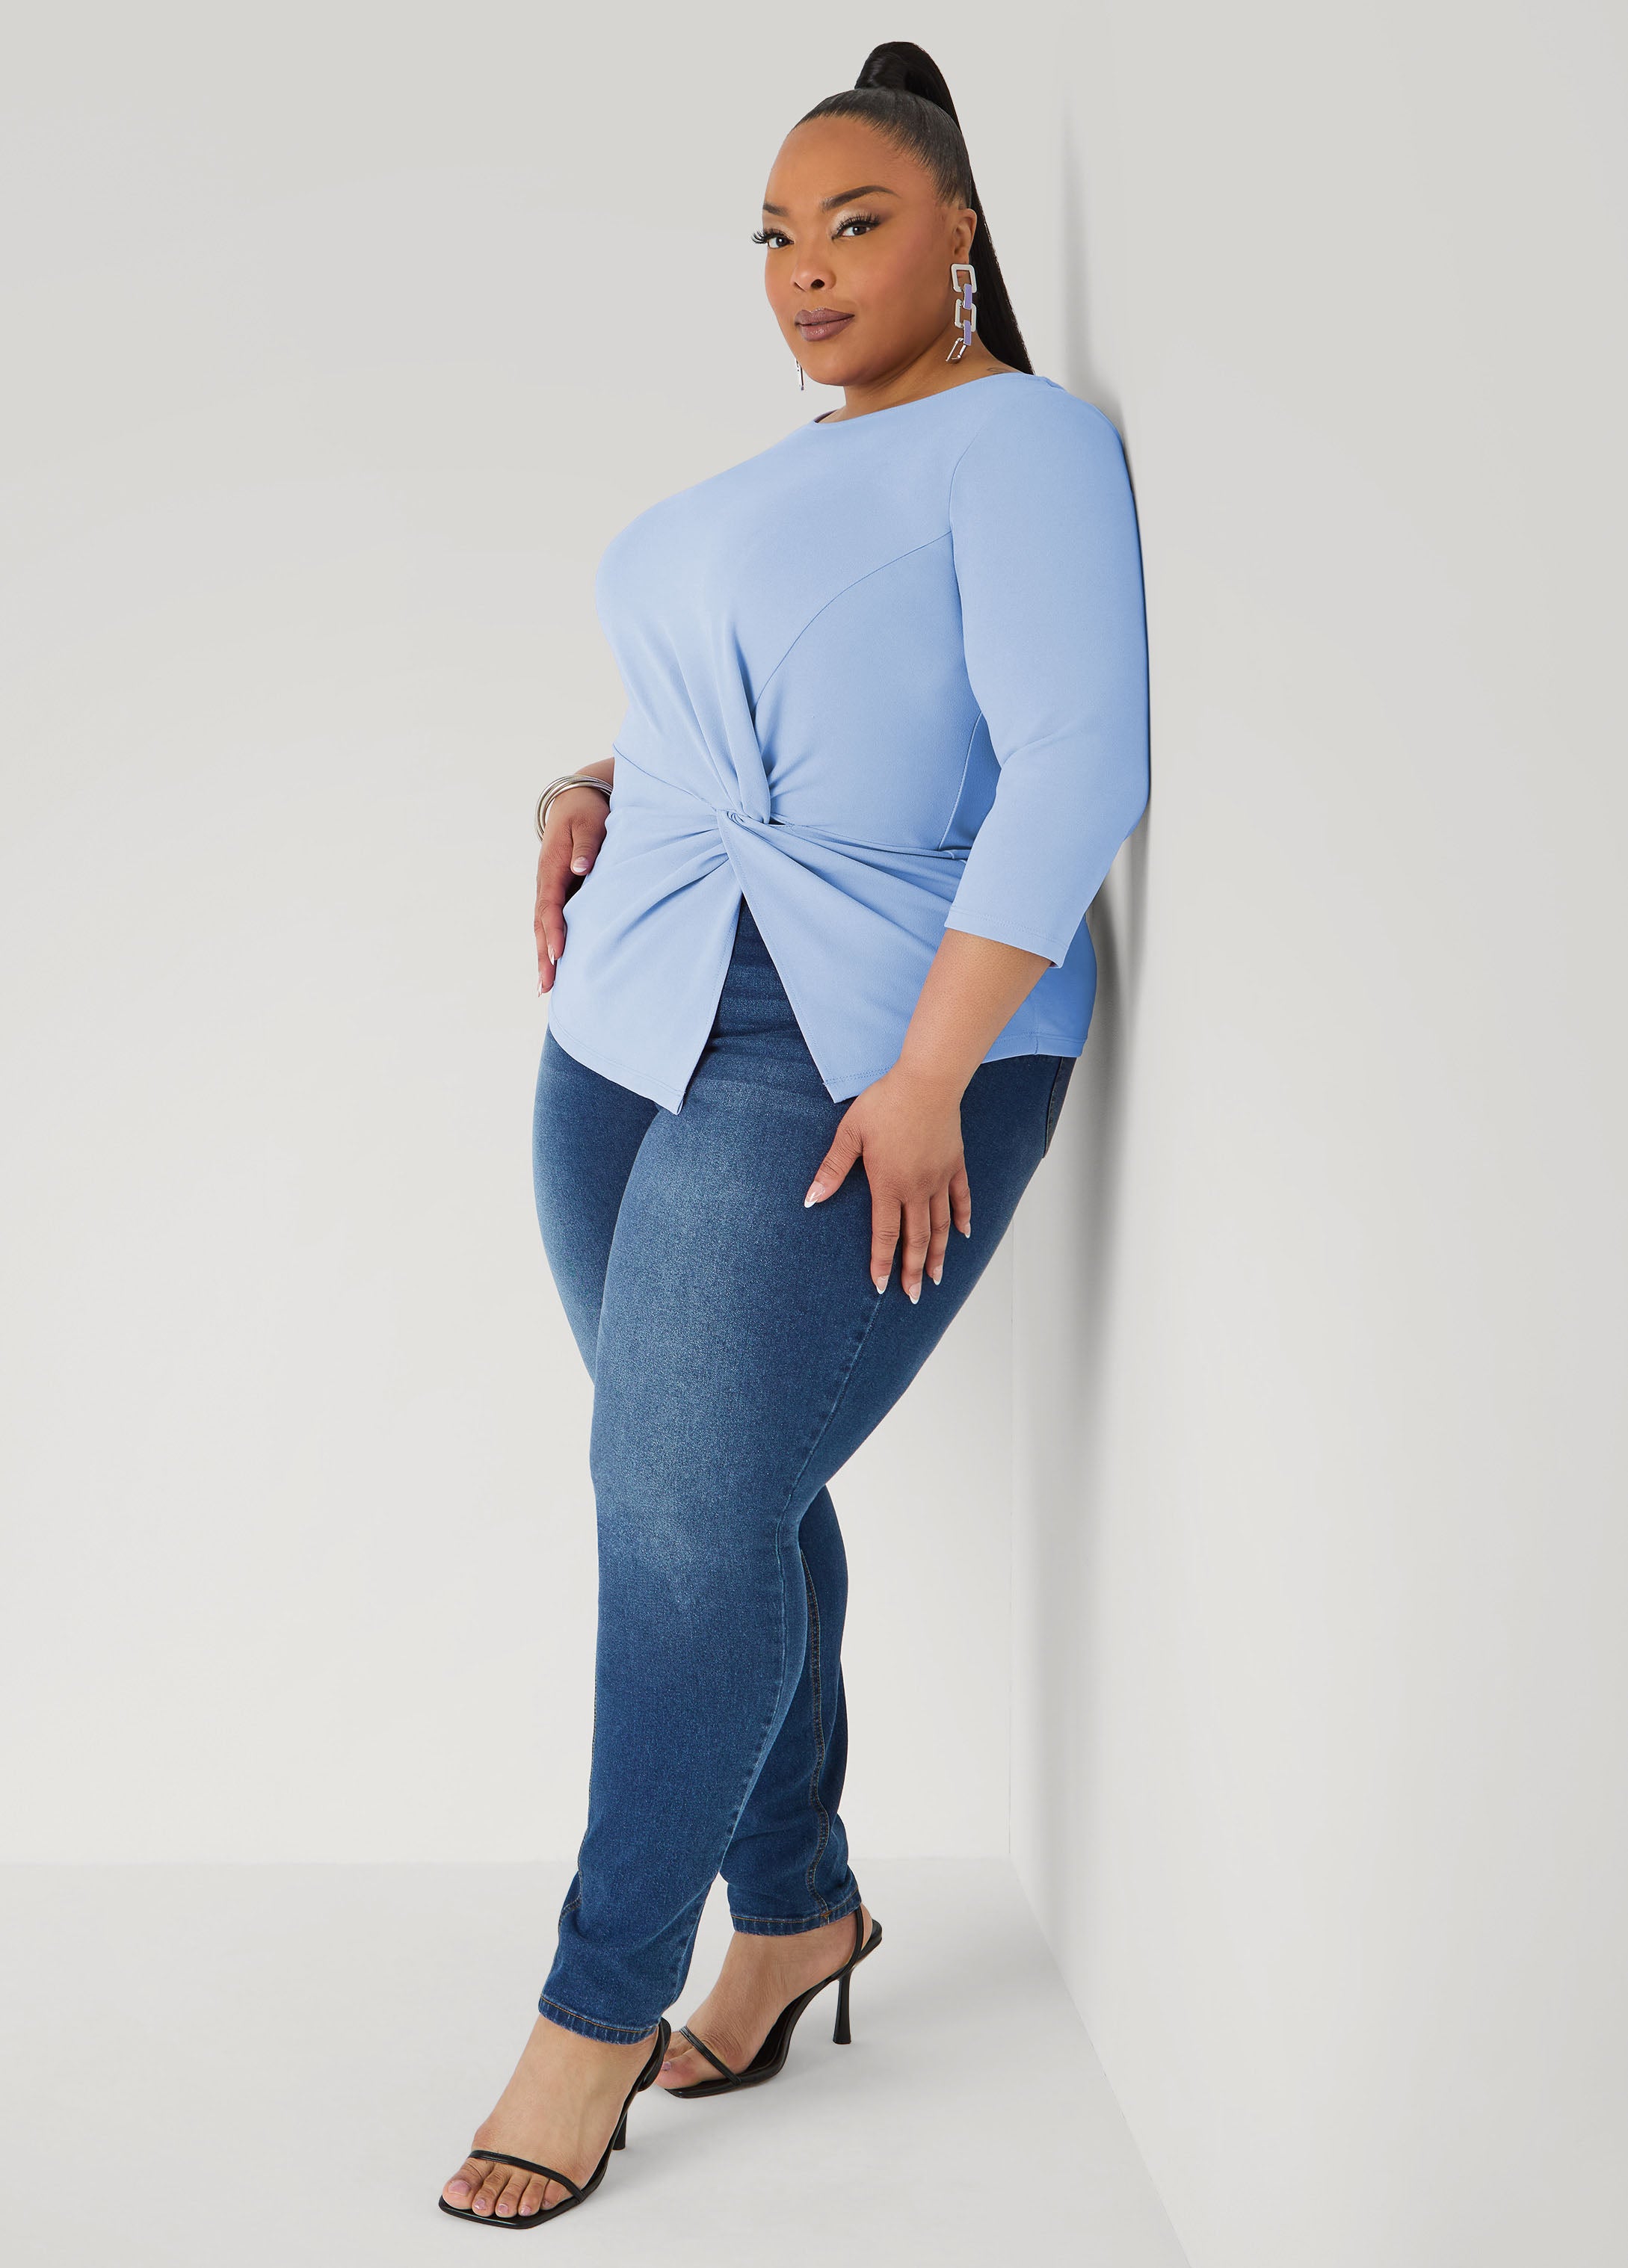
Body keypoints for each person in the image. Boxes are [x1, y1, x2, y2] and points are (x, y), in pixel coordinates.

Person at [439, 39, 1149, 2230]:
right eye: (774, 234)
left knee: (675, 1505)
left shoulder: (1019, 442)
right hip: (631, 1013)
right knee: (718, 1489)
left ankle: (591, 2014)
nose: (806, 267)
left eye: (855, 222)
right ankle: (799, 1904)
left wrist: (928, 1073)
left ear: (958, 239)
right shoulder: (799, 471)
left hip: (848, 1039)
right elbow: (763, 711)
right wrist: (594, 784)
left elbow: (1072, 760)